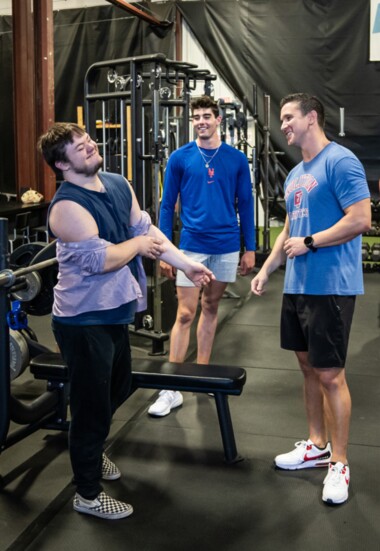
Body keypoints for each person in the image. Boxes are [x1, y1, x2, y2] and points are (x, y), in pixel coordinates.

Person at [38, 122, 214, 520]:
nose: (90, 146)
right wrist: (138, 245)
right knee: (90, 405)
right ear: (62, 164)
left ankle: (93, 445)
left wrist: (186, 264)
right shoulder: (66, 208)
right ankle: (87, 493)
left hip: (115, 312)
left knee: (119, 385)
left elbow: (146, 230)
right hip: (82, 320)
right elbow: (103, 260)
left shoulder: (118, 183)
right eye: (80, 148)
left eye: (88, 141)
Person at [251, 93, 371, 505]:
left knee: (330, 374)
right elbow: (288, 230)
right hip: (297, 286)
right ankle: (317, 446)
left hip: (331, 285)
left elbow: (361, 218)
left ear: (312, 118)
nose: (283, 125)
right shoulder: (295, 173)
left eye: (288, 117)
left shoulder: (340, 161)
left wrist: (311, 242)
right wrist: (267, 269)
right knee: (307, 367)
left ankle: (339, 461)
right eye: (281, 119)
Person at [148, 95, 256, 417]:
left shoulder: (236, 160)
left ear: (218, 119)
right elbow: (167, 206)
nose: (201, 122)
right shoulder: (180, 158)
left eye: (207, 116)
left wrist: (249, 247)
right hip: (191, 246)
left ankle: (201, 374)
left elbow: (246, 205)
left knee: (210, 307)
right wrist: (166, 251)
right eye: (196, 117)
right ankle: (170, 388)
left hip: (225, 245)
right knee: (184, 313)